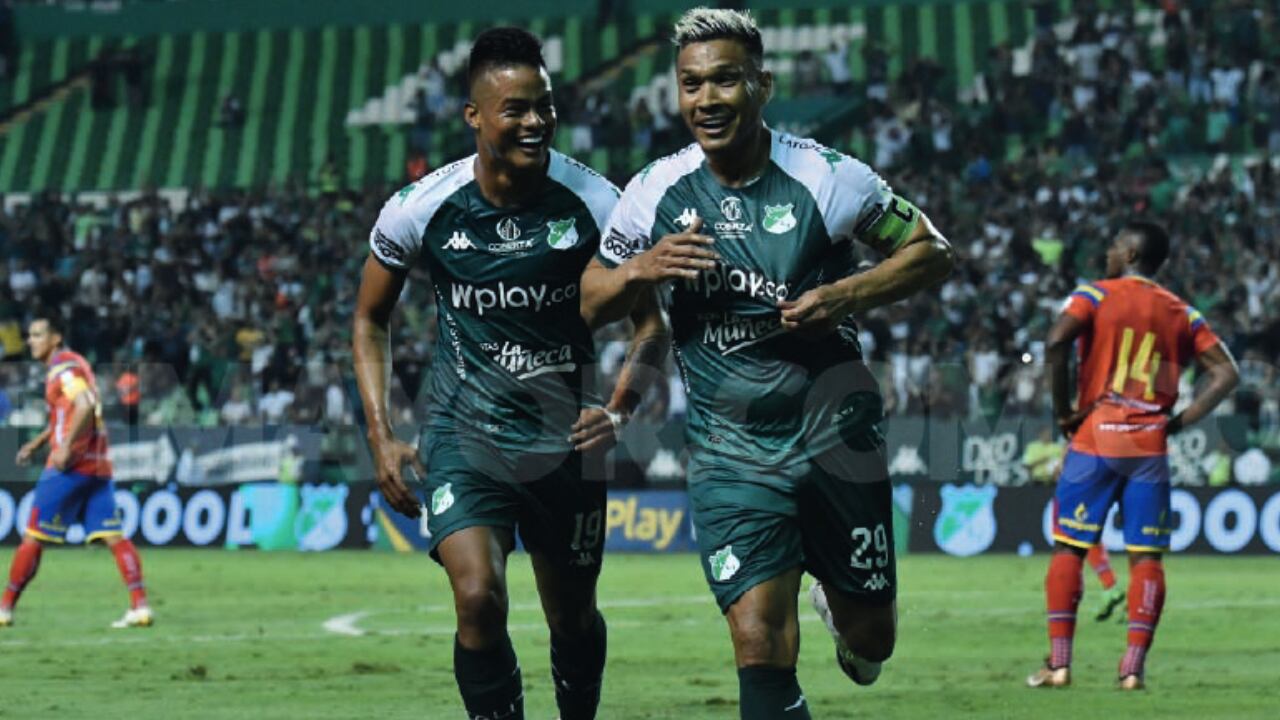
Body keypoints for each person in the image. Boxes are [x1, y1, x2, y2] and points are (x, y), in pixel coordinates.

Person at [581, 9, 953, 718]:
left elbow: (933, 251)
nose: (706, 100)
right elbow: (589, 300)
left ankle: (845, 614)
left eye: (725, 80)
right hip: (731, 454)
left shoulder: (829, 178)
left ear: (763, 84)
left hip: (835, 437)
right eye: (691, 84)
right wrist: (642, 269)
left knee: (874, 641)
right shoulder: (654, 192)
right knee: (759, 645)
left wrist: (843, 295)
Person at [353, 28, 666, 720]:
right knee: (477, 600)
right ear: (474, 116)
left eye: (545, 106)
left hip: (566, 445)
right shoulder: (421, 208)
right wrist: (382, 434)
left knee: (574, 620)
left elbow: (651, 329)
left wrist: (619, 409)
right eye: (516, 108)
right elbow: (369, 319)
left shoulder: (598, 204)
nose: (535, 122)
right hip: (465, 439)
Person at [1027, 221, 1239, 690]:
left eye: (1112, 246)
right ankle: (1132, 670)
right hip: (1149, 444)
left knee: (1070, 546)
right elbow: (1226, 373)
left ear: (1128, 252)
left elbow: (1057, 341)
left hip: (1097, 434)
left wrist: (1065, 412)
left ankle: (1059, 665)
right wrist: (1178, 422)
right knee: (1147, 558)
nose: (1106, 252)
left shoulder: (1096, 295)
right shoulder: (1182, 311)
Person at [0, 316, 152, 629]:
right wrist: (40, 442)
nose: (31, 341)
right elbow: (72, 411)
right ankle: (140, 607)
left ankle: (4, 608)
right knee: (114, 537)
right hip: (98, 465)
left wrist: (65, 447)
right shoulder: (78, 364)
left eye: (38, 335)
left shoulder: (62, 368)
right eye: (30, 335)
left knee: (32, 537)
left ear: (55, 339)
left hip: (70, 467)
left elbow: (83, 404)